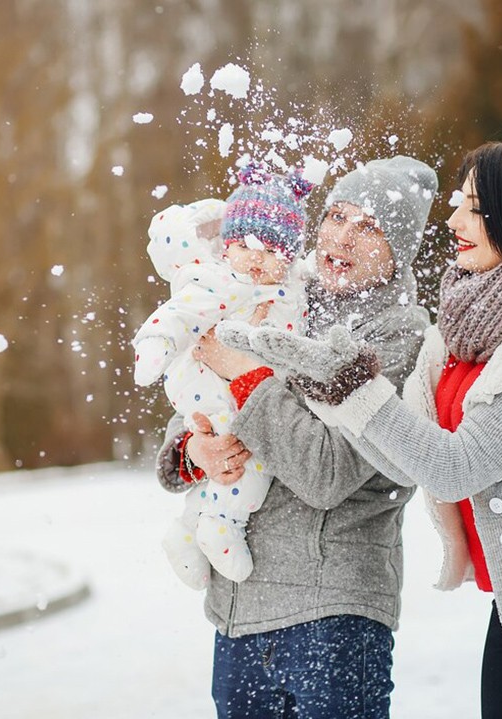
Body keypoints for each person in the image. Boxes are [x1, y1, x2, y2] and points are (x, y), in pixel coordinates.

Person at [227, 138, 502, 719]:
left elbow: (457, 466)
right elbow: (403, 460)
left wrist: (347, 383)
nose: (454, 220)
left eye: (476, 208)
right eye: (459, 202)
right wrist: (313, 379)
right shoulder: (467, 325)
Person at [154, 156, 438, 718]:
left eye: (370, 227)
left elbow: (327, 472)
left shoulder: (401, 336)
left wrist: (247, 373)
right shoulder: (279, 293)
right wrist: (196, 451)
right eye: (337, 217)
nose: (344, 238)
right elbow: (197, 397)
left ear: (399, 249)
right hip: (239, 610)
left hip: (334, 613)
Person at [133, 162, 313, 588]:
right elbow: (179, 313)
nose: (258, 259)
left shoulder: (289, 290)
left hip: (241, 393)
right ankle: (221, 523)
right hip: (211, 389)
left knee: (232, 453)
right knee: (250, 458)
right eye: (249, 245)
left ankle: (187, 529)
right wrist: (155, 345)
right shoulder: (218, 280)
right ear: (227, 245)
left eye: (273, 252)